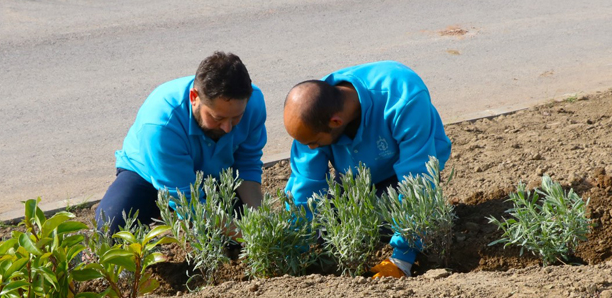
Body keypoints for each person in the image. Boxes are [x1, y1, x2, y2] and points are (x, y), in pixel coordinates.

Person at [282, 61, 452, 278]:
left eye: (314, 142)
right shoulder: (311, 115)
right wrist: (293, 252)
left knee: (398, 223)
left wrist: (402, 259)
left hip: (403, 171)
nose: (310, 148)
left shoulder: (402, 95)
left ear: (335, 121)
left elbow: (417, 179)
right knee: (335, 229)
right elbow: (305, 186)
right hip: (357, 177)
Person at [95, 52, 267, 233]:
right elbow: (188, 203)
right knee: (109, 231)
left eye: (236, 118)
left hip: (213, 177)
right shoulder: (160, 124)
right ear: (194, 98)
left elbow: (247, 164)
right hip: (148, 175)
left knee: (242, 229)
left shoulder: (253, 102)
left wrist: (260, 221)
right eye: (218, 118)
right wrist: (245, 235)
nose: (227, 128)